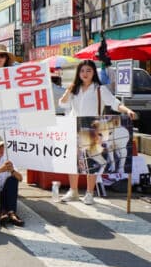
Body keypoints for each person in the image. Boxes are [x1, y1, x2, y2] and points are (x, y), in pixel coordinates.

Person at [58, 60, 136, 205]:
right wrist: (68, 90)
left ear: (94, 72)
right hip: (74, 127)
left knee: (91, 161)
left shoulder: (99, 89)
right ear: (78, 73)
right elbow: (62, 104)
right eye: (82, 71)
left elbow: (114, 103)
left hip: (93, 129)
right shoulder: (74, 88)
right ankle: (73, 191)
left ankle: (89, 193)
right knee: (73, 161)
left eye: (88, 70)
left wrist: (127, 110)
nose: (85, 74)